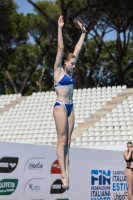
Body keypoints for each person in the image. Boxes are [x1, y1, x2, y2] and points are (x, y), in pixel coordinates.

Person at [53, 15, 86, 189]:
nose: (74, 66)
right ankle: (63, 174)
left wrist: (83, 33)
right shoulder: (58, 72)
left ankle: (67, 172)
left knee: (69, 142)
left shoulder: (71, 73)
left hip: (71, 106)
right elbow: (60, 48)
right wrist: (59, 28)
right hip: (60, 107)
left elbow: (78, 48)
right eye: (71, 64)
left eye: (75, 64)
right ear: (65, 63)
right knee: (62, 141)